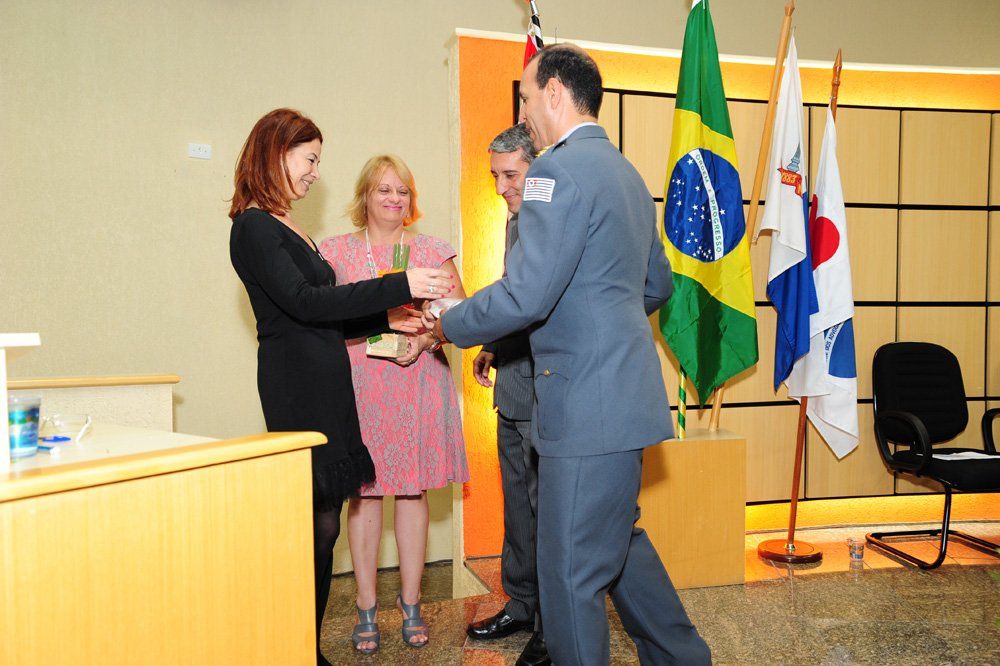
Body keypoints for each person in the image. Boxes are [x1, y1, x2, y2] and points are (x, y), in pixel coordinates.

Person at [425, 46, 712, 665]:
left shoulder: (554, 172)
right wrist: (596, 316)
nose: (524, 112)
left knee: (570, 576)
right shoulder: (625, 172)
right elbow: (656, 285)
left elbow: (526, 292)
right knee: (618, 547)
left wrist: (450, 321)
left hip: (582, 405)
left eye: (527, 97)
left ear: (554, 92)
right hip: (624, 397)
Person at [227, 109, 454, 666]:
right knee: (315, 523)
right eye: (309, 160)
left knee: (324, 522)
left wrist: (385, 318)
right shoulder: (254, 226)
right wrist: (399, 284)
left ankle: (305, 646)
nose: (313, 173)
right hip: (298, 386)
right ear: (276, 153)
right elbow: (303, 304)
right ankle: (295, 646)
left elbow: (320, 313)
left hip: (323, 380)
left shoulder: (284, 224)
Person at [319, 154, 469, 654]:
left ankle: (411, 603)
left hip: (418, 380)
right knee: (363, 494)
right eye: (384, 189)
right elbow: (319, 319)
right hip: (359, 385)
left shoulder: (432, 251)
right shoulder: (334, 253)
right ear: (365, 195)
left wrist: (426, 340)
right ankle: (365, 606)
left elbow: (462, 315)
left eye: (402, 190)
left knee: (411, 492)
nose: (394, 198)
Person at [465, 124, 549, 666]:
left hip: (549, 391)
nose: (501, 187)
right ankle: (521, 604)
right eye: (495, 176)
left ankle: (551, 624)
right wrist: (493, 344)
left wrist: (456, 325)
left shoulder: (554, 220)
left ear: (537, 169)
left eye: (510, 175)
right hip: (514, 386)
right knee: (518, 506)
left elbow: (537, 302)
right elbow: (512, 292)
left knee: (548, 513)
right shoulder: (515, 219)